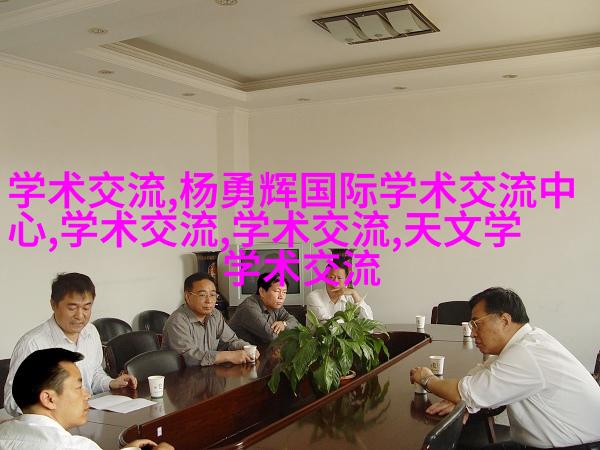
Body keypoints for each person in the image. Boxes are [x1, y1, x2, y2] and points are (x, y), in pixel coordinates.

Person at [409, 287, 600, 450]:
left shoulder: (527, 353)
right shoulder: (526, 342)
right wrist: (466, 399)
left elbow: (465, 392)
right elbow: (480, 374)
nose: (472, 333)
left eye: (476, 324)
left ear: (505, 320)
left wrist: (426, 378)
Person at [4, 273, 136, 416]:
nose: (80, 316)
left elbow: (93, 373)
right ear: (53, 304)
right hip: (53, 424)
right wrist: (53, 411)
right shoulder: (32, 344)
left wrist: (110, 383)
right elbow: (12, 401)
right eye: (72, 308)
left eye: (86, 308)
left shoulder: (91, 332)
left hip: (88, 417)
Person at [0, 348, 173, 450]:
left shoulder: (4, 434)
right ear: (49, 399)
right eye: (78, 388)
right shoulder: (74, 446)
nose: (87, 395)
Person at [162, 273, 258, 366]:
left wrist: (247, 347)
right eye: (202, 295)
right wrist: (228, 356)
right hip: (181, 375)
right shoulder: (177, 321)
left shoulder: (215, 314)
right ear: (188, 297)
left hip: (208, 373)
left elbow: (231, 341)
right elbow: (189, 357)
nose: (209, 301)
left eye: (212, 295)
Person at [229, 273, 299, 345]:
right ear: (262, 292)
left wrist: (284, 324)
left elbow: (296, 323)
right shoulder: (249, 308)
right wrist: (288, 331)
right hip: (237, 350)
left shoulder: (275, 305)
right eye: (277, 291)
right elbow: (271, 336)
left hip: (260, 348)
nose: (281, 296)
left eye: (284, 292)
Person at [305, 265, 373, 323]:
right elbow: (327, 322)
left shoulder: (349, 297)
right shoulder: (314, 296)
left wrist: (354, 293)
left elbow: (368, 321)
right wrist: (350, 325)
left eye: (339, 278)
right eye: (331, 277)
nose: (335, 281)